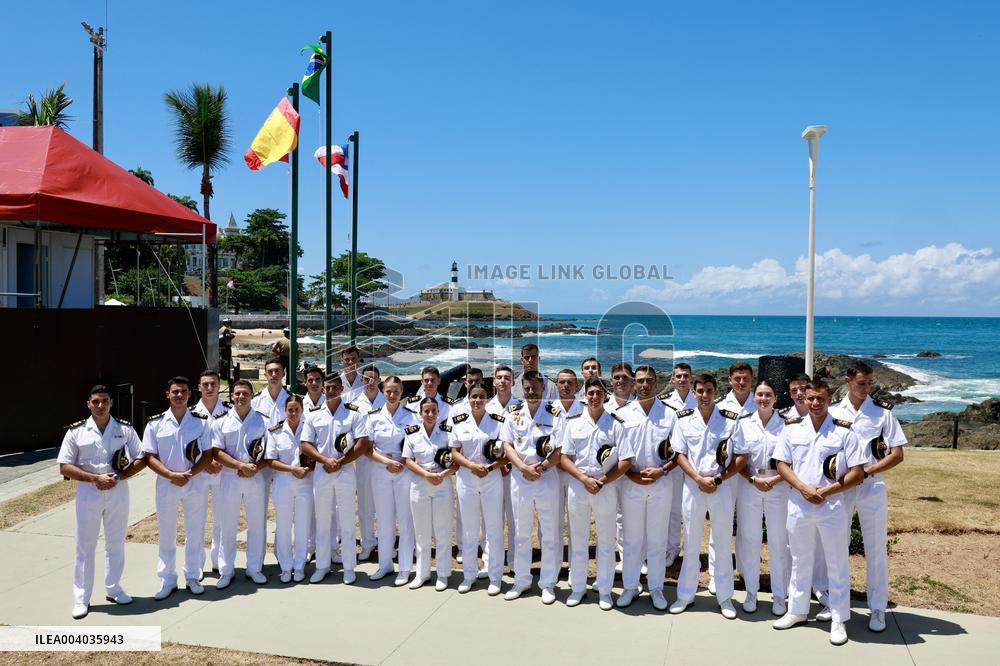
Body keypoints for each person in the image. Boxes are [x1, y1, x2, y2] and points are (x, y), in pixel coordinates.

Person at [772, 379, 866, 646]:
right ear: (804, 397)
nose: (814, 403)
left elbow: (858, 472)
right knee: (800, 559)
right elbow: (781, 464)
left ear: (829, 399)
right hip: (800, 504)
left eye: (820, 399)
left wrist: (825, 491)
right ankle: (797, 611)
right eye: (810, 398)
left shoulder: (844, 432)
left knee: (836, 562)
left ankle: (838, 619)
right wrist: (803, 488)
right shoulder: (792, 430)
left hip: (831, 505)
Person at [829, 362, 907, 632]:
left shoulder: (882, 414)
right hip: (841, 488)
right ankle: (837, 607)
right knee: (836, 548)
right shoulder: (832, 411)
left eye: (870, 383)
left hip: (871, 487)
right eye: (862, 383)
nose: (866, 388)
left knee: (875, 550)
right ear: (848, 380)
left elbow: (897, 454)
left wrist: (867, 471)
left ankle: (877, 609)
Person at [58, 384, 146, 620]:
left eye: (104, 401)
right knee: (85, 545)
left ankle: (114, 588)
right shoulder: (76, 432)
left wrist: (120, 476)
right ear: (88, 403)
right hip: (88, 492)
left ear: (111, 403)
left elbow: (142, 457)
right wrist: (94, 478)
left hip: (118, 490)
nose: (100, 405)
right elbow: (64, 466)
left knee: (115, 542)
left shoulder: (124, 429)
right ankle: (81, 598)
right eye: (95, 401)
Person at [669, 374, 747, 619]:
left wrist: (719, 479)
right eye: (700, 391)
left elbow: (742, 457)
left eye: (709, 391)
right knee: (691, 542)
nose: (704, 395)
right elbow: (679, 455)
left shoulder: (730, 421)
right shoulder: (683, 420)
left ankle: (725, 598)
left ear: (716, 392)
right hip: (694, 486)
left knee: (722, 543)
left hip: (720, 486)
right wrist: (698, 479)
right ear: (694, 392)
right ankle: (685, 595)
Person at [561, 377, 632, 610]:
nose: (593, 397)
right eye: (590, 393)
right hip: (578, 485)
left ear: (605, 396)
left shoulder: (615, 425)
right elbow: (564, 458)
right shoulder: (573, 423)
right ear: (585, 396)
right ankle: (578, 588)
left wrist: (601, 481)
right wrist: (583, 478)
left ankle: (604, 590)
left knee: (605, 541)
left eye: (598, 393)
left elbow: (626, 460)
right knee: (578, 539)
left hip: (605, 487)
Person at [142, 376, 215, 600]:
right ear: (168, 394)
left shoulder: (201, 422)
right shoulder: (155, 423)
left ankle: (193, 576)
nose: (179, 395)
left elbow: (208, 455)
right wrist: (171, 474)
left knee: (195, 531)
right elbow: (149, 457)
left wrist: (190, 474)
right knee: (167, 532)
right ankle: (167, 579)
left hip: (195, 483)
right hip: (167, 484)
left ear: (189, 394)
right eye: (175, 392)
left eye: (183, 391)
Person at [500, 371, 565, 604]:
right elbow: (506, 445)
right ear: (522, 389)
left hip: (546, 478)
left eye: (535, 388)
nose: (531, 392)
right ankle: (522, 581)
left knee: (549, 533)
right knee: (521, 533)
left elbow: (560, 451)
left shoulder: (555, 415)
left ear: (543, 389)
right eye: (527, 388)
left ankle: (548, 583)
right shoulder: (513, 414)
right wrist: (522, 468)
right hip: (520, 478)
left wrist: (542, 468)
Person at [617, 366, 678, 610]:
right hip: (630, 483)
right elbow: (619, 451)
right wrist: (630, 474)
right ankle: (630, 587)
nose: (644, 385)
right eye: (640, 381)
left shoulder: (671, 415)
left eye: (649, 380)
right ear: (633, 384)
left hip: (661, 483)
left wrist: (662, 470)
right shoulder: (623, 414)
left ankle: (656, 588)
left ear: (657, 383)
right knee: (631, 539)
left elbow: (680, 453)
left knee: (657, 539)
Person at [301, 373, 367, 584]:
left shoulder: (353, 414)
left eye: (334, 387)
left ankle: (349, 567)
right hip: (322, 471)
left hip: (345, 471)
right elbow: (305, 444)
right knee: (322, 521)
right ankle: (322, 566)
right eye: (327, 388)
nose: (330, 391)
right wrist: (324, 460)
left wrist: (341, 462)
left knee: (347, 521)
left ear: (341, 389)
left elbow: (362, 443)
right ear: (322, 390)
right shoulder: (313, 415)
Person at [735, 380, 790, 615]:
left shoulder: (787, 425)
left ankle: (779, 595)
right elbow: (739, 460)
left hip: (779, 487)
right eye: (759, 394)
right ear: (754, 397)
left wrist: (774, 480)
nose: (763, 399)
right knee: (750, 540)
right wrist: (755, 480)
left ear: (776, 398)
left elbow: (792, 460)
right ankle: (751, 592)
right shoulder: (744, 423)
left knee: (779, 542)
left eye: (768, 395)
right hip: (750, 485)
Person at [449, 384, 506, 595]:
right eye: (474, 397)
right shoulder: (459, 422)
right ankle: (469, 575)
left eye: (481, 397)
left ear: (487, 398)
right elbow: (454, 451)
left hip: (491, 478)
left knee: (493, 529)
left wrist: (489, 467)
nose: (477, 401)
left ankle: (495, 576)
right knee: (470, 530)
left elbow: (507, 453)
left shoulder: (499, 422)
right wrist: (472, 466)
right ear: (469, 398)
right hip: (467, 477)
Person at [212, 379, 269, 589]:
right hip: (229, 477)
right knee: (227, 525)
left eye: (245, 393)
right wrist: (239, 465)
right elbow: (217, 452)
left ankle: (254, 568)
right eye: (237, 394)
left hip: (255, 477)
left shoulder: (263, 421)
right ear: (232, 396)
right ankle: (226, 571)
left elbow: (269, 453)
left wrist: (254, 467)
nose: (241, 397)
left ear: (252, 395)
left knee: (256, 525)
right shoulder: (221, 421)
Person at [361, 376, 418, 586]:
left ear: (402, 392)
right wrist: (387, 462)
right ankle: (384, 564)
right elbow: (368, 449)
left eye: (396, 391)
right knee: (384, 520)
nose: (392, 395)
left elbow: (415, 445)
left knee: (405, 520)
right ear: (382, 392)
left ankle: (404, 567)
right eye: (388, 391)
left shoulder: (412, 417)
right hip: (381, 470)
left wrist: (402, 461)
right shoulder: (374, 417)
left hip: (404, 471)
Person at [403, 398, 458, 591]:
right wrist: (426, 474)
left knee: (442, 531)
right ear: (420, 413)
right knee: (422, 532)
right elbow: (408, 461)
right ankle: (422, 573)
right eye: (426, 411)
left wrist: (442, 474)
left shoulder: (447, 433)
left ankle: (442, 574)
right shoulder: (412, 434)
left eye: (433, 411)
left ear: (438, 412)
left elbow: (456, 459)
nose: (430, 414)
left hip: (442, 484)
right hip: (419, 484)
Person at [265, 394, 313, 583]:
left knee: (302, 526)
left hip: (305, 483)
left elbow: (316, 454)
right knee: (283, 526)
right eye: (290, 410)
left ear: (302, 410)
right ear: (285, 411)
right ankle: (285, 566)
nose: (293, 413)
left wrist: (306, 468)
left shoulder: (310, 428)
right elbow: (270, 460)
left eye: (297, 409)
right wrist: (291, 469)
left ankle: (299, 565)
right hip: (283, 483)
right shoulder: (275, 431)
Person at [659, 362, 696, 567]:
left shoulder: (699, 399)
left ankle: (691, 551)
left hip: (694, 464)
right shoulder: (664, 402)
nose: (682, 379)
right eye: (678, 376)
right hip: (673, 462)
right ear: (673, 379)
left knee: (691, 510)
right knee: (673, 509)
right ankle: (672, 549)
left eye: (685, 376)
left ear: (691, 378)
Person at [486, 364, 521, 575]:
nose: (502, 381)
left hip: (514, 470)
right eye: (499, 377)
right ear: (493, 381)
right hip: (492, 471)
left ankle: (515, 563)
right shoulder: (486, 406)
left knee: (515, 518)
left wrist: (509, 462)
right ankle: (492, 563)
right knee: (492, 519)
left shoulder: (521, 407)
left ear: (513, 382)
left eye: (507, 378)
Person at [192, 370, 227, 578]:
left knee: (222, 520)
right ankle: (196, 565)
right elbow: (189, 445)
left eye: (213, 384)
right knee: (197, 520)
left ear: (219, 386)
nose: (210, 388)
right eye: (205, 384)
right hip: (200, 473)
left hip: (223, 473)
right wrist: (205, 464)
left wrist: (219, 462)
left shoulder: (228, 412)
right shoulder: (190, 414)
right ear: (199, 387)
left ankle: (220, 562)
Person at [351, 364, 385, 561]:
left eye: (373, 379)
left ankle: (385, 541)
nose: (370, 382)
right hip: (364, 462)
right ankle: (367, 543)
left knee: (387, 505)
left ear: (379, 380)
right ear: (361, 381)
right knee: (365, 505)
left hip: (385, 461)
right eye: (366, 379)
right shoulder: (355, 405)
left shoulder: (387, 401)